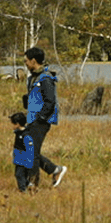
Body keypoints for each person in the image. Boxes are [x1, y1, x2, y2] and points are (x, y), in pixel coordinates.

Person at [14, 46, 68, 191]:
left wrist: (41, 117)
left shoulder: (46, 78)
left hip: (41, 121)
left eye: (26, 61)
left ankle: (33, 184)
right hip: (31, 119)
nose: (25, 63)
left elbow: (50, 101)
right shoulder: (32, 78)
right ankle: (55, 170)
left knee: (31, 152)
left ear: (33, 60)